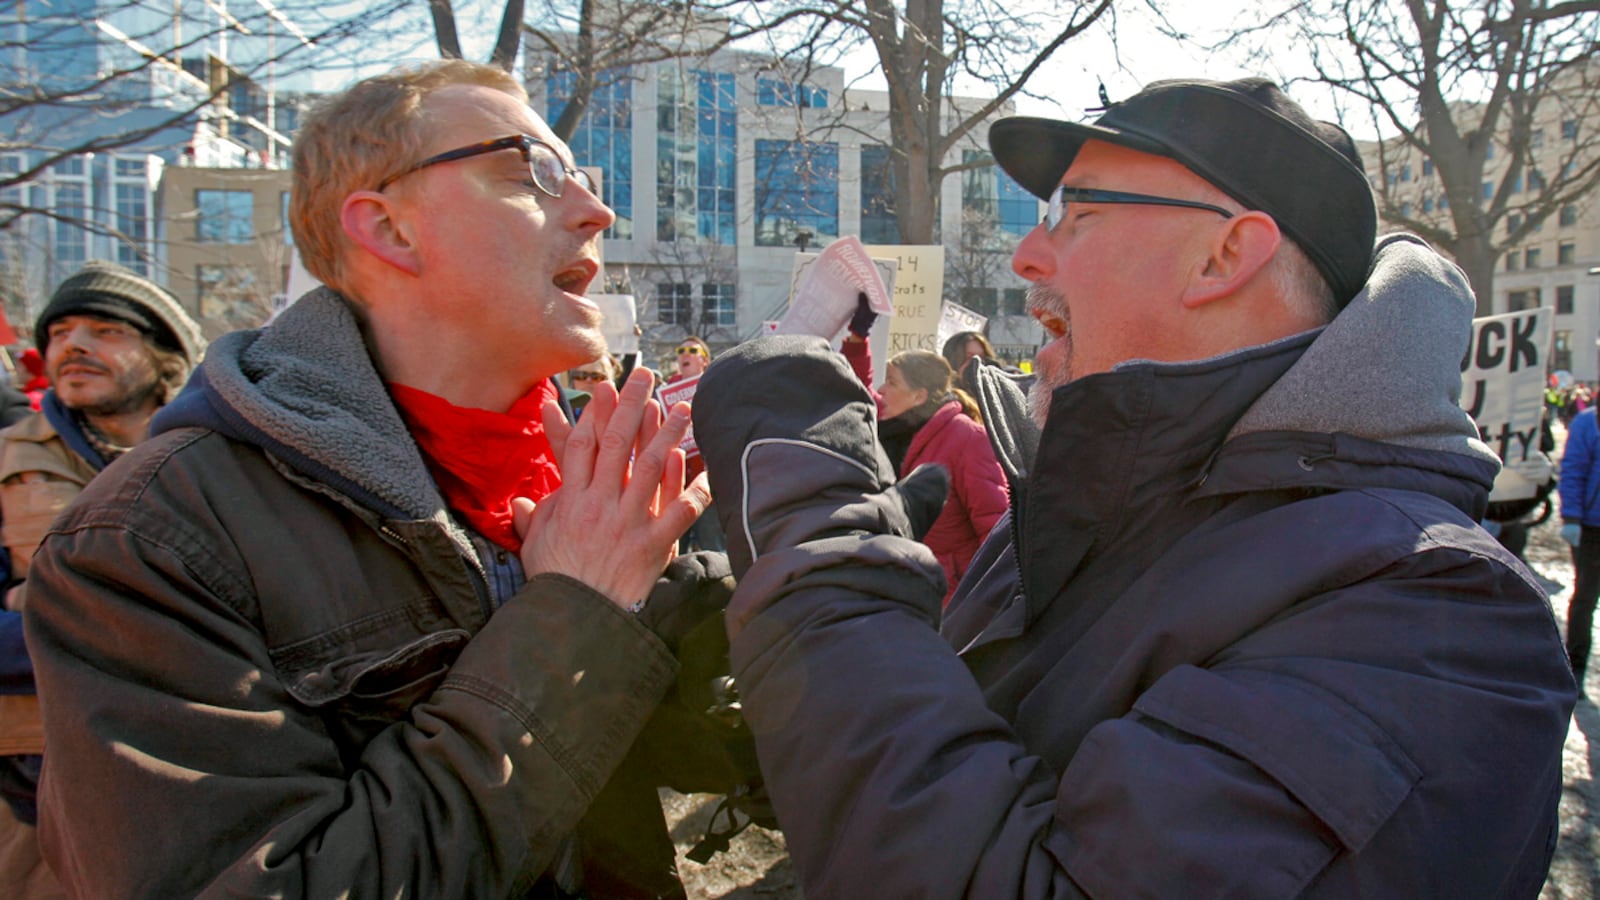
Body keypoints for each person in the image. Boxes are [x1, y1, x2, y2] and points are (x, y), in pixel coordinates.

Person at [691, 77, 1577, 896]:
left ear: (1224, 255)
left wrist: (819, 532)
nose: (1028, 256)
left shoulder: (1438, 615)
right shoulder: (1087, 504)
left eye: (1074, 214)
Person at [22, 60, 719, 898]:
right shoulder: (153, 535)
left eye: (581, 177)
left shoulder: (591, 478)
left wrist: (796, 571)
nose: (596, 211)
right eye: (530, 171)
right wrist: (579, 617)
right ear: (389, 230)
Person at [0, 260, 203, 900]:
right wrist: (122, 632)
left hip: (195, 779)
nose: (74, 347)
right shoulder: (4, 461)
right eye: (60, 332)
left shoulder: (220, 465)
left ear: (165, 355)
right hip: (34, 790)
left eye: (106, 331)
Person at [846, 342, 1008, 606]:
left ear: (919, 396)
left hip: (949, 604)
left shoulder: (967, 437)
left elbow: (995, 528)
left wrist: (986, 606)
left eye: (892, 383)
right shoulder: (895, 428)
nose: (882, 390)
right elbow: (858, 390)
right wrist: (857, 338)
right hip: (900, 590)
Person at [1559, 405, 1600, 689]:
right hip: (1591, 528)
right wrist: (1572, 516)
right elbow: (1573, 469)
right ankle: (1575, 671)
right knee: (1585, 598)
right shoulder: (1588, 423)